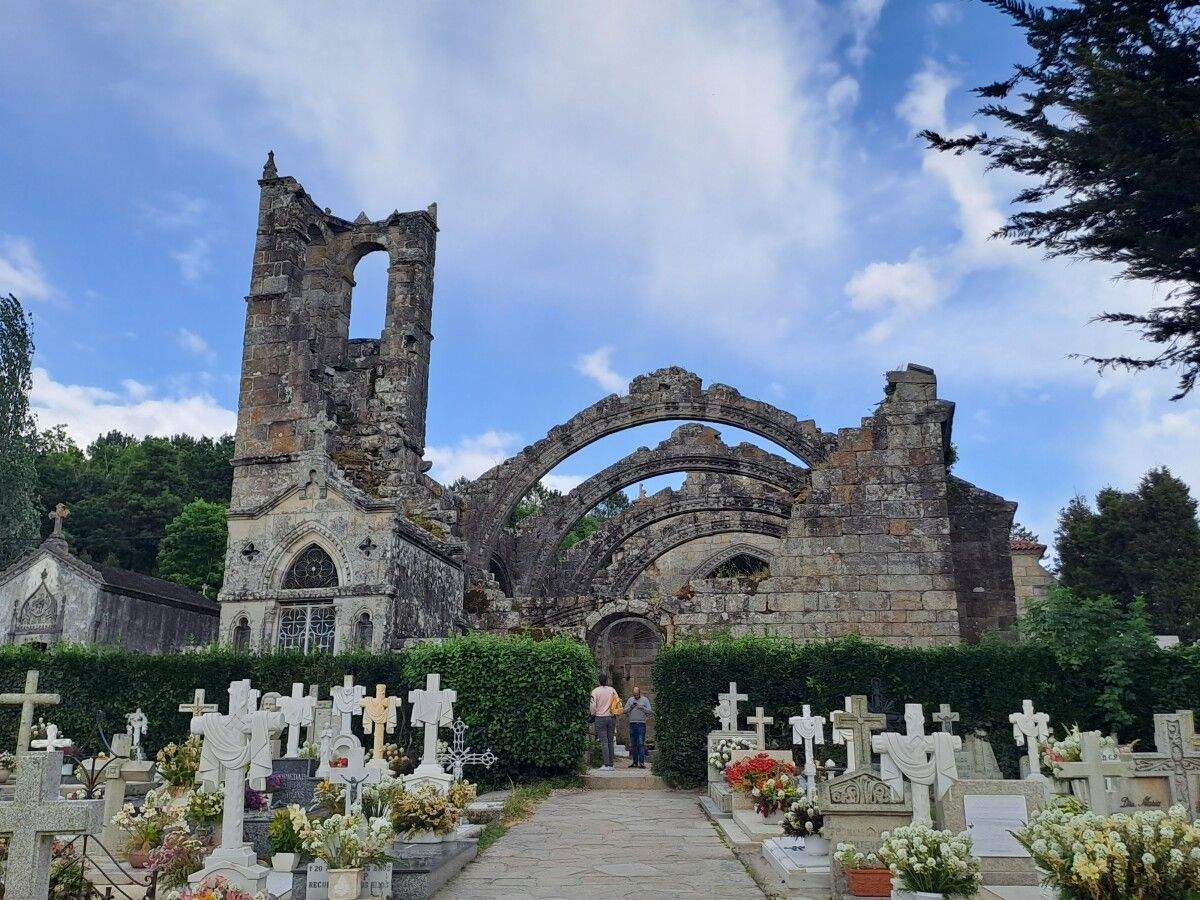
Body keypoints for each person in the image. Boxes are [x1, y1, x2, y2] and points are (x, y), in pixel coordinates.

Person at [589, 673, 619, 769]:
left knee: (604, 741)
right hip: (611, 717)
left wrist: (593, 714)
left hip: (600, 717)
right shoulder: (612, 690)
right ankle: (611, 764)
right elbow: (617, 701)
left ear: (598, 681)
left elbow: (593, 706)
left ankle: (606, 764)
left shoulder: (595, 691)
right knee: (610, 741)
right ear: (606, 681)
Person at [624, 686, 652, 768]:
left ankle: (642, 762)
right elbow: (624, 711)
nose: (635, 696)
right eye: (634, 695)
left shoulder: (645, 700)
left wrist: (642, 707)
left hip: (641, 724)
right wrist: (631, 707)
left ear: (640, 693)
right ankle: (635, 762)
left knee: (640, 743)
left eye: (637, 694)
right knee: (633, 744)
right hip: (632, 724)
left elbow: (650, 711)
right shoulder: (630, 700)